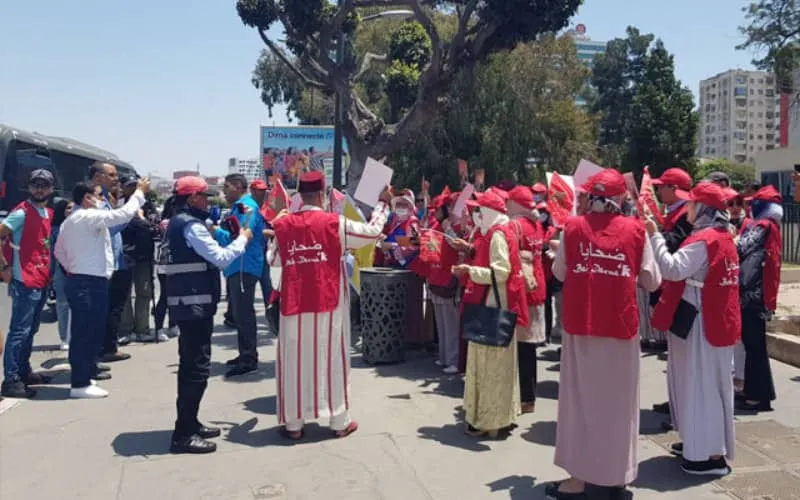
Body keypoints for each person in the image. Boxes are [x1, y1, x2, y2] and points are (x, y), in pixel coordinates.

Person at [547, 169, 661, 498]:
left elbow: (559, 272)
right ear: (620, 198)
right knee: (619, 406)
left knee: (579, 404)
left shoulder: (572, 228)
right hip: (620, 330)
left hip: (581, 327)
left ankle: (578, 479)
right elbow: (652, 281)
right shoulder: (636, 230)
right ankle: (616, 475)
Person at [268, 171, 391, 440]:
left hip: (294, 303)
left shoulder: (283, 224)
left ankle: (294, 425)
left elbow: (273, 260)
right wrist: (383, 205)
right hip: (329, 302)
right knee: (333, 358)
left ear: (300, 196)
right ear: (322, 196)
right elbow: (372, 233)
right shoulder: (335, 222)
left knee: (294, 361)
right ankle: (339, 421)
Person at [648, 181, 740, 476]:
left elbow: (673, 269)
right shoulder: (721, 236)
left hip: (701, 320)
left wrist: (655, 237)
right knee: (698, 383)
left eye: (691, 203)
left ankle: (709, 455)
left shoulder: (705, 240)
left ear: (702, 208)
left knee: (701, 385)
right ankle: (697, 442)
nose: (687, 207)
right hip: (707, 316)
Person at [164, 176, 251, 454]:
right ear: (192, 199)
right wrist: (243, 238)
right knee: (196, 368)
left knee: (191, 366)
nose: (207, 202)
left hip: (190, 303)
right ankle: (183, 434)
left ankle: (190, 422)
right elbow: (221, 258)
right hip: (194, 305)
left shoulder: (180, 222)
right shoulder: (190, 226)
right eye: (204, 197)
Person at [55, 178, 150, 398]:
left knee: (91, 332)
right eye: (99, 196)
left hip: (86, 279)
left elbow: (59, 252)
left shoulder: (72, 220)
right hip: (87, 281)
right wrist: (139, 193)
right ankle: (80, 383)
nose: (102, 200)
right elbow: (123, 214)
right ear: (87, 198)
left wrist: (73, 268)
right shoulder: (87, 216)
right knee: (85, 333)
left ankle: (85, 377)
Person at [453, 190, 529, 438]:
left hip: (492, 304)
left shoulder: (497, 235)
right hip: (500, 302)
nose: (477, 214)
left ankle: (487, 421)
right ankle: (502, 416)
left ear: (488, 212)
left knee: (488, 366)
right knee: (500, 365)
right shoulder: (504, 231)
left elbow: (500, 272)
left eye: (479, 210)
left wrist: (470, 271)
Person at [0, 169, 56, 399]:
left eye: (44, 185)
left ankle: (23, 370)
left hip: (41, 277)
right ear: (29, 187)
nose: (39, 189)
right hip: (24, 278)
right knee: (19, 331)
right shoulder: (21, 213)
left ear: (51, 189)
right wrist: (4, 266)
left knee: (31, 329)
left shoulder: (47, 212)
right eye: (35, 185)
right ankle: (11, 379)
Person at [214, 174, 266, 378]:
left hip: (244, 265)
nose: (224, 192)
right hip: (237, 265)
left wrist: (215, 231)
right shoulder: (239, 207)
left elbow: (243, 235)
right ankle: (245, 353)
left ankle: (248, 358)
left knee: (243, 313)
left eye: (226, 187)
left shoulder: (246, 207)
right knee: (239, 312)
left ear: (237, 186)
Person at [736, 185, 782, 412]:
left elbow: (741, 247)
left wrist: (729, 235)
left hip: (752, 295)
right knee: (754, 345)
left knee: (754, 346)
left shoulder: (762, 226)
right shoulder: (772, 225)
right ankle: (756, 391)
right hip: (759, 293)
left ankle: (758, 396)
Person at [507, 186, 547, 414]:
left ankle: (520, 397)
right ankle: (529, 397)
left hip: (521, 291)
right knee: (528, 348)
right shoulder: (536, 225)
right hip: (536, 287)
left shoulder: (515, 225)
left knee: (519, 347)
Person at [89, 161, 133, 363]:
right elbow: (109, 228)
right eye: (112, 175)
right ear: (98, 177)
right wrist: (128, 214)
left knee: (114, 308)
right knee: (102, 311)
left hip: (116, 262)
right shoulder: (94, 201)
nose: (117, 179)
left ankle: (109, 347)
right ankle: (99, 352)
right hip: (103, 266)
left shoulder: (107, 199)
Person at [119, 175, 162, 342]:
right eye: (129, 186)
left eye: (135, 185)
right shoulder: (118, 205)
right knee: (124, 295)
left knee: (144, 292)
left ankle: (142, 329)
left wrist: (140, 219)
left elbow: (154, 228)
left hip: (144, 255)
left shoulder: (147, 206)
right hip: (123, 255)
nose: (132, 189)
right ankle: (125, 330)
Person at [51, 197, 74, 351]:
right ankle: (64, 337)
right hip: (60, 271)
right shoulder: (55, 230)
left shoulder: (79, 226)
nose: (71, 211)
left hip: (78, 269)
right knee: (63, 304)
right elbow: (53, 254)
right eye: (68, 208)